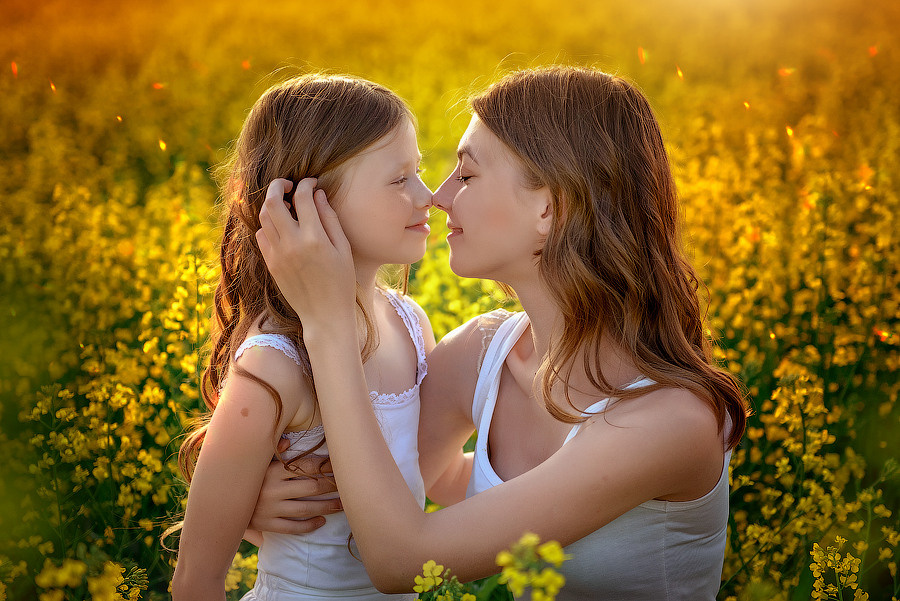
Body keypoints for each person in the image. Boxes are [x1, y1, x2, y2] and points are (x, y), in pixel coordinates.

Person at [253, 65, 748, 600]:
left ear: (549, 208)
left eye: (466, 175)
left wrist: (328, 324)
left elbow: (401, 560)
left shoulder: (667, 420)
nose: (437, 198)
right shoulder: (483, 353)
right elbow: (393, 475)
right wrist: (255, 497)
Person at [169, 73, 435, 601]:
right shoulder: (275, 366)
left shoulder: (409, 322)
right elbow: (195, 581)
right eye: (399, 179)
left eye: (420, 173)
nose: (428, 196)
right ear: (313, 204)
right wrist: (242, 507)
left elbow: (435, 473)